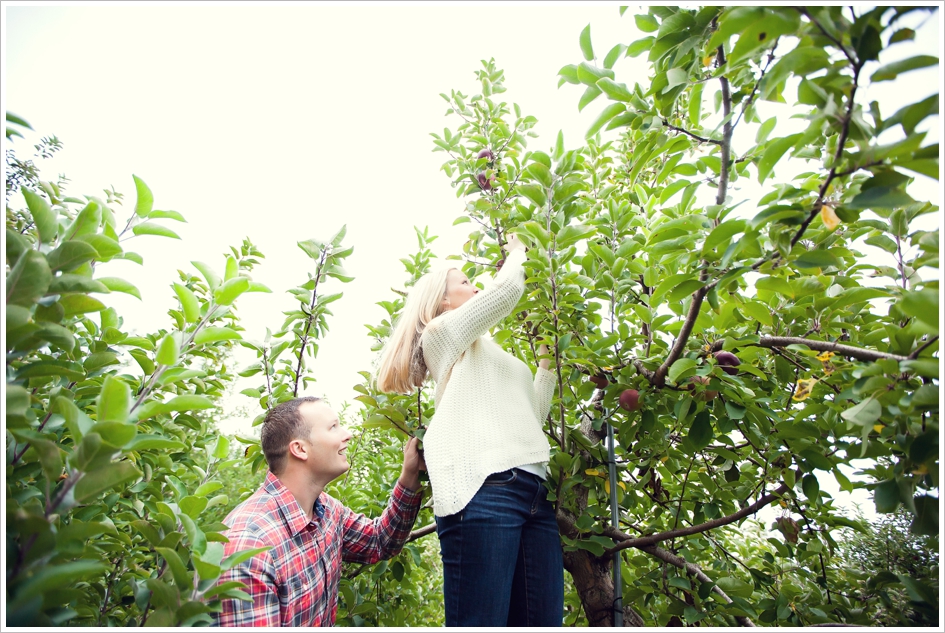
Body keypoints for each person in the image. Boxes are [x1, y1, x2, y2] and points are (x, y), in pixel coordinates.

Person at [375, 234, 563, 627]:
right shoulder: (441, 335)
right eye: (464, 283)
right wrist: (516, 251)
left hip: (533, 491)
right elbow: (506, 289)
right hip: (485, 488)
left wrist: (546, 365)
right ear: (442, 301)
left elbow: (534, 418)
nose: (475, 287)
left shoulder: (489, 353)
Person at [212, 396, 425, 627]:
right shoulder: (248, 548)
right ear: (300, 449)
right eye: (333, 427)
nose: (347, 434)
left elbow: (380, 541)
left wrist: (411, 475)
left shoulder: (327, 511)